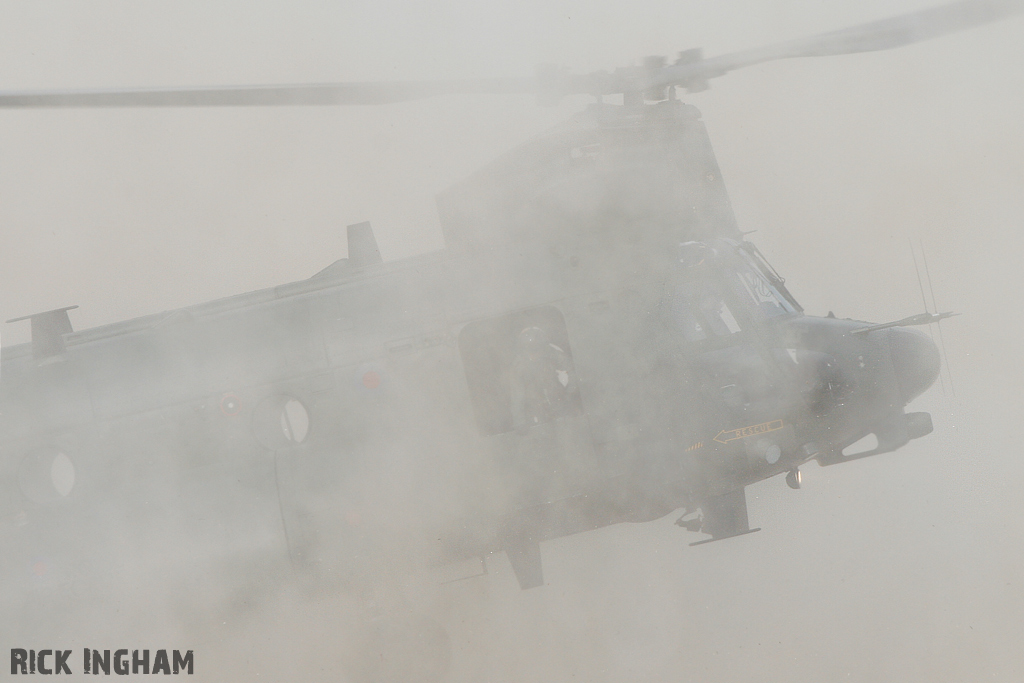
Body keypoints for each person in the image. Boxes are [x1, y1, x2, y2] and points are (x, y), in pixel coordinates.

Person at [509, 326, 575, 430]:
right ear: (524, 349)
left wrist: (570, 394)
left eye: (538, 348)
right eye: (532, 349)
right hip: (536, 410)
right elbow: (517, 395)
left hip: (560, 404)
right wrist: (520, 422)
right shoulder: (519, 366)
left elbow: (572, 371)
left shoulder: (553, 353)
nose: (537, 354)